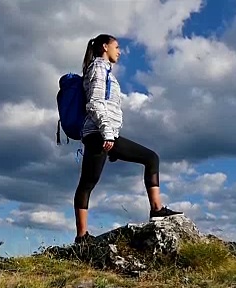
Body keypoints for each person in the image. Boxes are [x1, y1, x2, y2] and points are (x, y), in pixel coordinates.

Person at [73, 34, 183, 243]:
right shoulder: (98, 69)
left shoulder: (105, 71)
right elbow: (95, 103)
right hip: (99, 134)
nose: (120, 51)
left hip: (106, 134)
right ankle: (82, 236)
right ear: (105, 47)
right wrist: (107, 133)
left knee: (150, 159)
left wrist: (111, 135)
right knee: (88, 183)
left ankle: (156, 209)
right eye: (117, 47)